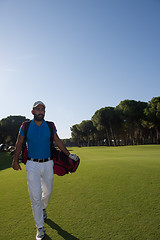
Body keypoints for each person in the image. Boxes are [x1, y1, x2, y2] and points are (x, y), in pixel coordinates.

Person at [12, 101, 79, 240]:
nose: (40, 111)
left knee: (47, 192)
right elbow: (19, 143)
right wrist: (14, 160)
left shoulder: (50, 125)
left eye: (43, 109)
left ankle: (43, 209)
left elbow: (58, 141)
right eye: (38, 109)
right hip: (32, 165)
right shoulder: (25, 125)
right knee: (35, 197)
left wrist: (69, 154)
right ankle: (40, 228)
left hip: (48, 164)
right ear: (32, 112)